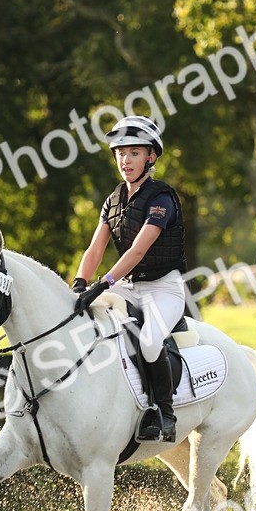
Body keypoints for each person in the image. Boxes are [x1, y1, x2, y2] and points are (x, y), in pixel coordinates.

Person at [72, 115, 187, 443]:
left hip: (164, 289)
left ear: (151, 156)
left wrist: (101, 284)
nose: (126, 160)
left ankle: (165, 413)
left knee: (150, 341)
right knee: (89, 324)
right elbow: (96, 247)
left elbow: (136, 252)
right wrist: (81, 281)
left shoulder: (161, 199)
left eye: (134, 153)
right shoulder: (113, 201)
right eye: (121, 153)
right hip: (130, 287)